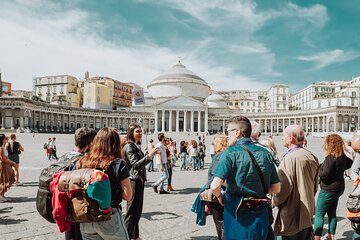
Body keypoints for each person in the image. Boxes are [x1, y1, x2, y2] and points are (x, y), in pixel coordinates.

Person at [210, 116, 280, 239]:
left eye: (228, 132)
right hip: (260, 211)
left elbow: (215, 185)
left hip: (236, 211)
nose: (227, 136)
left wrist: (220, 196)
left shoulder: (229, 153)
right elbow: (276, 188)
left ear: (237, 132)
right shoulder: (266, 153)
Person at [75, 127, 132, 240]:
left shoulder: (82, 161)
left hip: (86, 217)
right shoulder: (118, 163)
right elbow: (128, 196)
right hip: (109, 216)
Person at [273, 125, 319, 239]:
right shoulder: (311, 156)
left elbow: (283, 189)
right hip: (307, 209)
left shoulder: (288, 159)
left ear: (291, 138)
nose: (282, 138)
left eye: (284, 136)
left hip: (292, 210)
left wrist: (275, 201)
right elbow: (315, 185)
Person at [123, 123, 159, 240]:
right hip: (133, 179)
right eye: (137, 131)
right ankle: (126, 236)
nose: (140, 133)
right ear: (131, 133)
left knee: (137, 210)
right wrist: (150, 155)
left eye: (141, 131)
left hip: (139, 179)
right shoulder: (129, 146)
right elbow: (135, 165)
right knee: (131, 211)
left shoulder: (135, 145)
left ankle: (135, 235)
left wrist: (149, 156)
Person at [314, 134, 353, 240]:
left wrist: (320, 167)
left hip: (328, 189)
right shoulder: (342, 156)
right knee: (332, 213)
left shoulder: (331, 157)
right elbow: (350, 164)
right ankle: (331, 236)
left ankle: (316, 238)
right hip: (339, 188)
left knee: (319, 213)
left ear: (329, 144)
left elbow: (324, 174)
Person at [63, 127, 97, 240]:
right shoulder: (83, 161)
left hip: (64, 206)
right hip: (78, 208)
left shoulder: (65, 156)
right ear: (90, 143)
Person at [202, 135, 227, 240]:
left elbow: (215, 176)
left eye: (215, 143)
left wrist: (207, 189)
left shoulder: (219, 156)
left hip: (218, 193)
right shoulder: (228, 154)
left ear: (220, 144)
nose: (213, 145)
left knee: (219, 221)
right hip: (227, 191)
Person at [0, 134, 16, 202]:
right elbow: (3, 159)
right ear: (3, 140)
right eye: (5, 138)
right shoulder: (1, 148)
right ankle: (0, 195)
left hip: (6, 164)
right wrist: (12, 163)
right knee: (3, 180)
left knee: (7, 179)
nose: (6, 139)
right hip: (3, 165)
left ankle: (2, 195)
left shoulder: (3, 147)